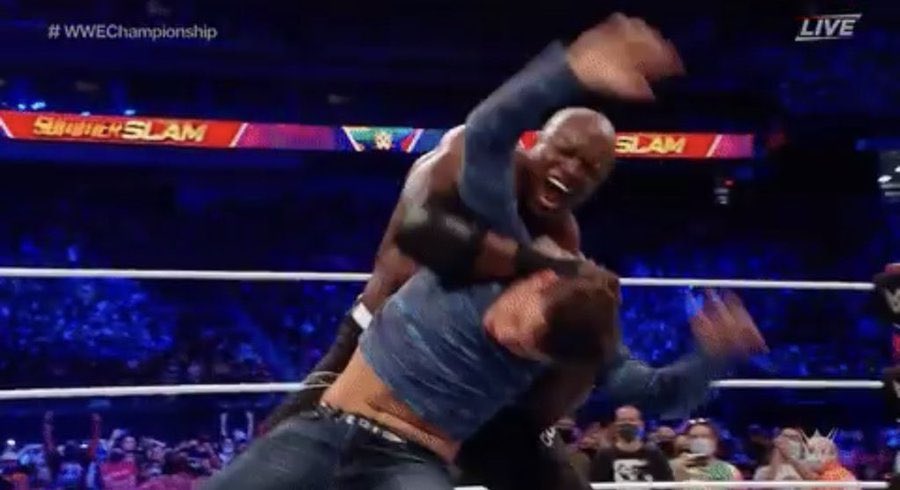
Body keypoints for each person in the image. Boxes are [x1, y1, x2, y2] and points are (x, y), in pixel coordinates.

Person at [590, 405, 674, 483]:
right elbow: (595, 484)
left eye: (631, 420)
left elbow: (667, 483)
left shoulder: (654, 453)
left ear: (640, 424)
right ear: (615, 424)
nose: (627, 423)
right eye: (622, 420)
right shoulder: (604, 454)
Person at [671, 419, 742, 482]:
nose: (699, 441)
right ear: (687, 441)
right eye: (694, 437)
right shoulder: (674, 467)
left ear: (715, 440)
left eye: (704, 436)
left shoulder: (729, 471)